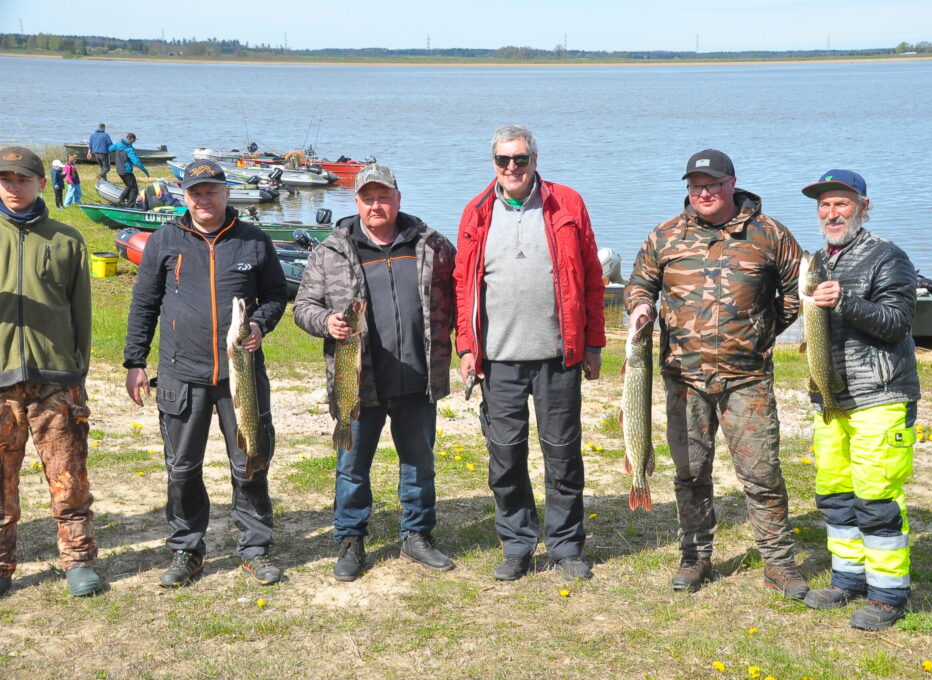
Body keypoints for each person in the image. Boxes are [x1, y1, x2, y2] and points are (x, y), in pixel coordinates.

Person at [624, 149, 808, 599]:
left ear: (732, 184)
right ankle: (695, 556)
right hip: (683, 378)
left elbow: (795, 293)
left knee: (762, 476)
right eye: (695, 185)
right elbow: (638, 285)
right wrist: (641, 307)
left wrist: (759, 331)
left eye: (712, 184)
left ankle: (779, 564)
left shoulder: (770, 234)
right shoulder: (664, 236)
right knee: (690, 474)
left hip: (747, 380)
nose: (704, 192)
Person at [123, 160, 288, 588]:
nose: (204, 199)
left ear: (226, 193)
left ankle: (255, 549)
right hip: (181, 375)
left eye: (212, 190)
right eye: (196, 192)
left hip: (242, 376)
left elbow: (274, 295)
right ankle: (186, 549)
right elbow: (144, 304)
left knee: (250, 461)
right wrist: (135, 362)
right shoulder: (164, 241)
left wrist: (258, 325)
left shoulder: (253, 240)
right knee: (182, 469)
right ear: (185, 195)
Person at [454, 125, 606, 582]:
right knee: (506, 455)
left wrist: (594, 343)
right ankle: (517, 543)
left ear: (535, 159)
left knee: (562, 454)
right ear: (494, 165)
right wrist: (465, 348)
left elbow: (593, 279)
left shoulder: (568, 203)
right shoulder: (476, 212)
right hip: (498, 359)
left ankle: (565, 547)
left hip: (559, 357)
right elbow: (464, 288)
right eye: (504, 161)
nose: (513, 168)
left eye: (521, 159)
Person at [294, 164, 457, 581]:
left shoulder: (432, 245)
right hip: (357, 383)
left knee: (419, 464)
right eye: (368, 198)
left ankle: (417, 535)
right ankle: (350, 540)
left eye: (383, 196)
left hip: (417, 379)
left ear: (399, 198)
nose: (376, 205)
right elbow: (302, 307)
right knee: (352, 467)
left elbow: (461, 297)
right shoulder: (331, 251)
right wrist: (326, 322)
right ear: (357, 203)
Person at [799, 170, 920, 630]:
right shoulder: (821, 262)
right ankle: (847, 578)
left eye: (842, 204)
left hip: (882, 394)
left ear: (863, 207)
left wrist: (844, 301)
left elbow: (896, 323)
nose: (831, 214)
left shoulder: (888, 256)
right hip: (830, 398)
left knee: (876, 495)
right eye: (824, 206)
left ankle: (888, 595)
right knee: (834, 492)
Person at [0, 146, 103, 598]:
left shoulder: (66, 239)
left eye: (22, 179)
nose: (13, 187)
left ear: (42, 183)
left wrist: (76, 370)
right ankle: (2, 566)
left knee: (69, 479)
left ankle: (78, 561)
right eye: (5, 179)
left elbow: (81, 312)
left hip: (55, 380)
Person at [109, 132, 150, 207]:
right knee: (134, 188)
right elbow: (136, 161)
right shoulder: (129, 149)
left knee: (129, 186)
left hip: (119, 170)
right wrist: (145, 170)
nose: (134, 142)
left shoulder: (118, 144)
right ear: (131, 139)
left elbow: (109, 149)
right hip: (126, 171)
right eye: (134, 140)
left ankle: (124, 201)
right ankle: (128, 204)